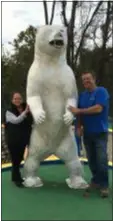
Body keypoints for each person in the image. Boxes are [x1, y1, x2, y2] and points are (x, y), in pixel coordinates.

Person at [69, 71, 110, 197]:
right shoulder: (82, 95)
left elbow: (98, 108)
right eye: (84, 80)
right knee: (91, 160)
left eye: (88, 79)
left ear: (94, 79)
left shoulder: (101, 91)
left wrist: (79, 110)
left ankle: (104, 185)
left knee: (101, 160)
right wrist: (79, 126)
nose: (86, 81)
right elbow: (79, 113)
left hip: (100, 133)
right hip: (87, 133)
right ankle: (96, 180)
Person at [4, 92, 33, 187]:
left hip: (23, 139)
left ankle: (16, 177)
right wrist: (25, 112)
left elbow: (30, 121)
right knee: (15, 159)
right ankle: (17, 179)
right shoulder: (9, 111)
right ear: (12, 100)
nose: (17, 100)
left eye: (19, 98)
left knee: (19, 158)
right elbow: (16, 120)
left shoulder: (26, 109)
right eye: (15, 98)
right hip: (13, 139)